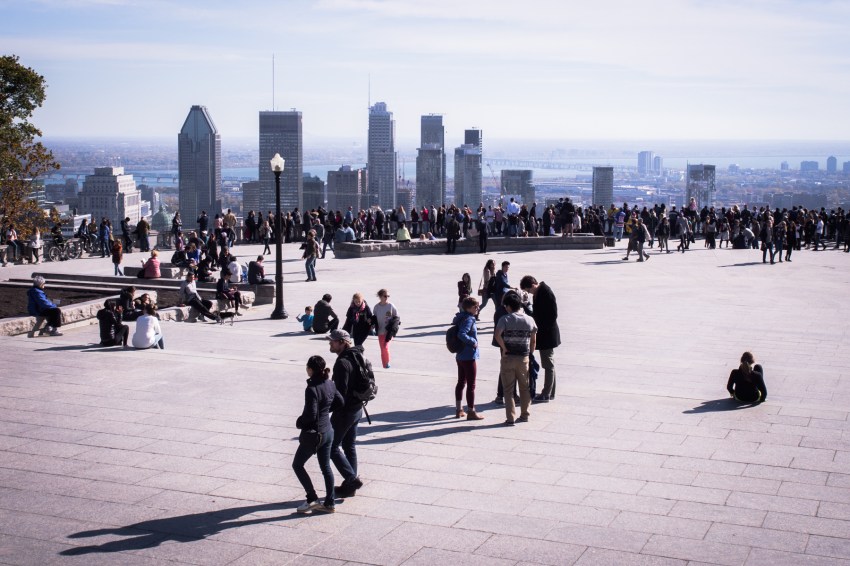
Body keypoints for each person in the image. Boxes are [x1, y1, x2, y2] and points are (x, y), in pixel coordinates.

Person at [293, 355, 343, 514]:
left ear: (311, 369)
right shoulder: (330, 383)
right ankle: (330, 503)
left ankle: (312, 498)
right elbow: (340, 401)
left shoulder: (312, 389)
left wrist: (300, 422)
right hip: (328, 431)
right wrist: (326, 411)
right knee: (326, 467)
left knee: (297, 465)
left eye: (307, 367)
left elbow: (311, 415)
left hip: (315, 435)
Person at [326, 329, 365, 498]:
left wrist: (327, 409)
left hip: (345, 411)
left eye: (333, 341)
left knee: (331, 447)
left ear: (342, 342)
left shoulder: (342, 363)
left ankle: (351, 478)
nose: (330, 343)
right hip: (357, 408)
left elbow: (339, 393)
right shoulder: (357, 355)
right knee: (349, 446)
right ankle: (350, 488)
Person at [494, 291, 537, 425]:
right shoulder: (529, 319)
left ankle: (510, 417)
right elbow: (533, 340)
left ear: (509, 306)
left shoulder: (505, 319)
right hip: (523, 357)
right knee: (525, 387)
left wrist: (504, 347)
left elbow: (497, 334)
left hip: (508, 357)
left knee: (508, 389)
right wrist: (530, 353)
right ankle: (525, 414)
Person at [519, 275, 561, 402]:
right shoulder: (538, 293)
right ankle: (550, 392)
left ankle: (546, 394)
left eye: (528, 290)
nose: (528, 293)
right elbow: (537, 314)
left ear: (532, 285)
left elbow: (553, 315)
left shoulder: (545, 292)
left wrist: (541, 328)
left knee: (548, 364)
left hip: (548, 334)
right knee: (549, 364)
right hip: (544, 333)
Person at [454, 296, 484, 421]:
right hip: (468, 355)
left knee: (461, 382)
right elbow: (462, 334)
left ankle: (459, 409)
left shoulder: (460, 317)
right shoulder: (469, 319)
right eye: (475, 307)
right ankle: (471, 411)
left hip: (460, 354)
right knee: (471, 384)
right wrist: (473, 342)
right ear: (468, 308)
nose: (477, 309)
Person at [372, 289, 399, 369]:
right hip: (380, 331)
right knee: (382, 349)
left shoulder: (391, 306)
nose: (387, 297)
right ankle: (384, 364)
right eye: (385, 296)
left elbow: (397, 317)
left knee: (385, 347)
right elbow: (374, 317)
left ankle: (387, 363)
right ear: (380, 296)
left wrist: (394, 326)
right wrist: (372, 325)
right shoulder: (376, 307)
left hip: (389, 331)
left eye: (388, 296)